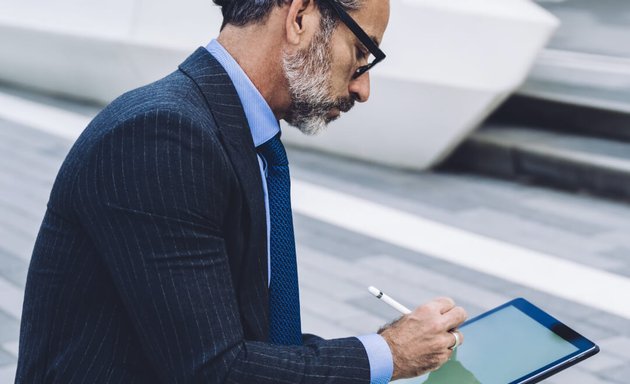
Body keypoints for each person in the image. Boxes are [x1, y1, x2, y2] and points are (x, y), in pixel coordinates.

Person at [15, 0, 467, 382]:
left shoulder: (228, 131)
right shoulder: (162, 136)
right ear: (300, 17)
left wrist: (386, 348)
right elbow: (214, 368)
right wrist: (389, 354)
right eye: (361, 53)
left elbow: (245, 342)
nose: (363, 87)